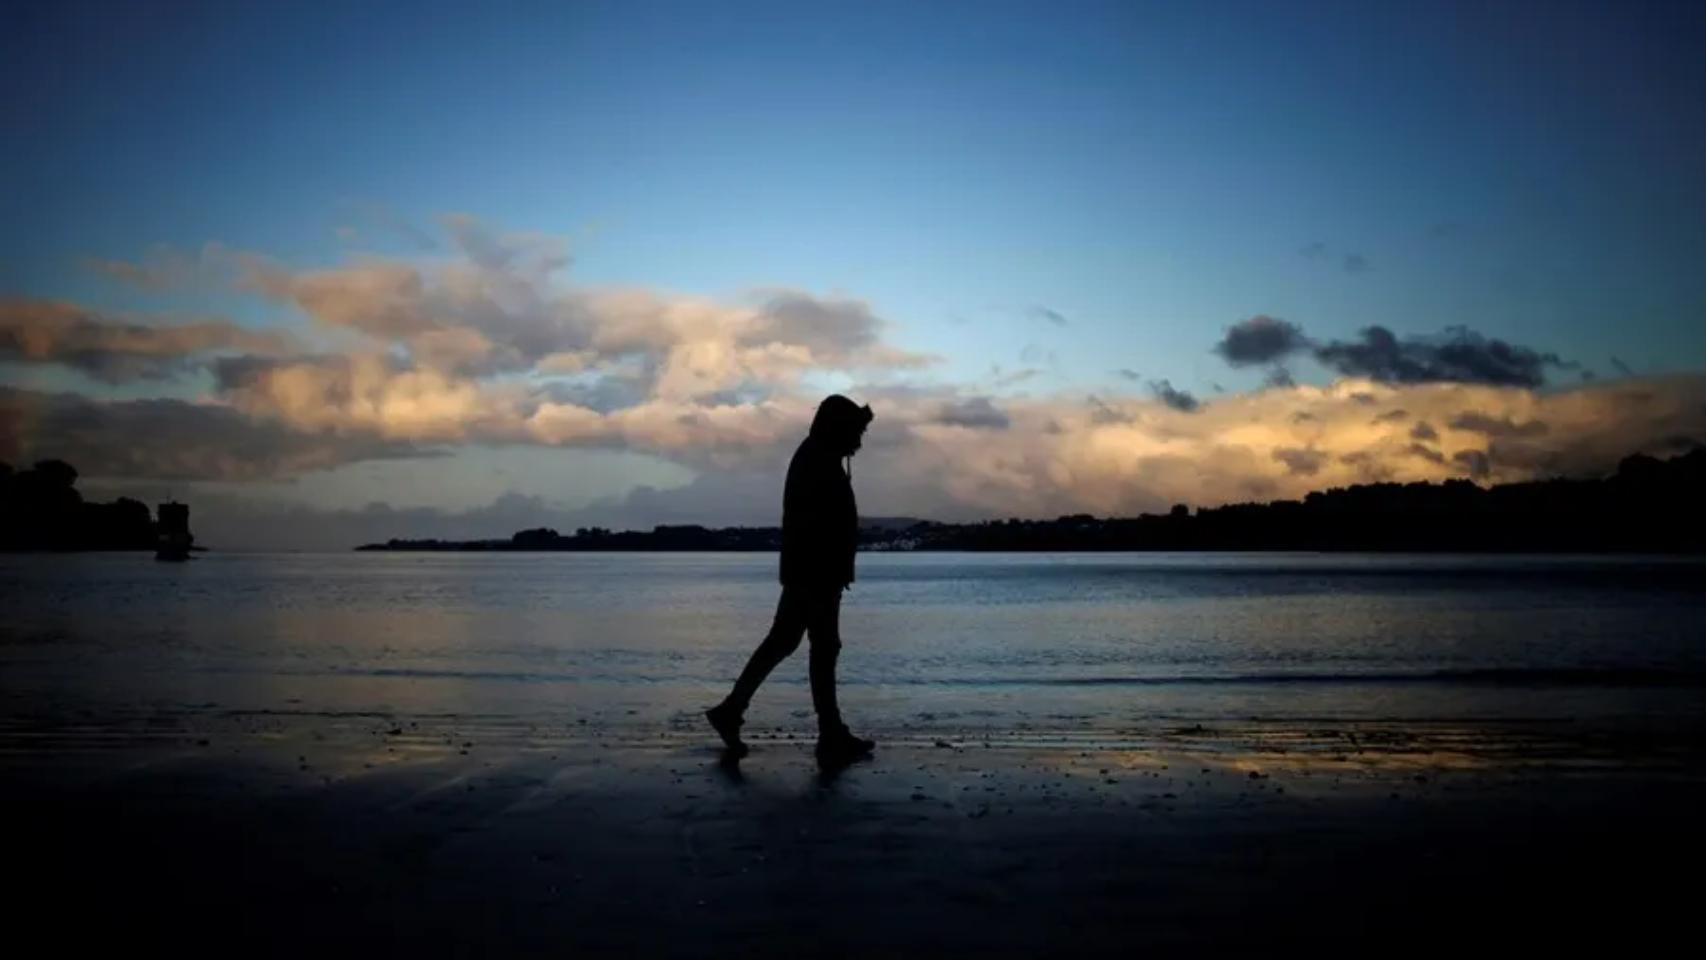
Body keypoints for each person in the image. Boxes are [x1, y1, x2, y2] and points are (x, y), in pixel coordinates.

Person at [707, 394, 877, 764]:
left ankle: (734, 710)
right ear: (839, 428)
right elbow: (815, 525)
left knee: (792, 643)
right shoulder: (817, 459)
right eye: (857, 432)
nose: (860, 442)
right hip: (814, 574)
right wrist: (828, 572)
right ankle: (827, 733)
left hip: (813, 572)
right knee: (816, 647)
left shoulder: (820, 456)